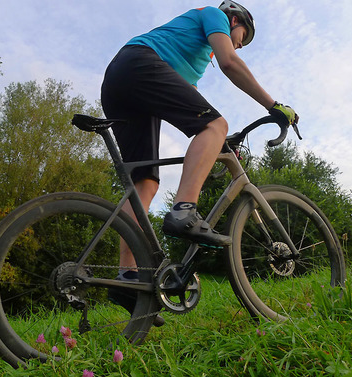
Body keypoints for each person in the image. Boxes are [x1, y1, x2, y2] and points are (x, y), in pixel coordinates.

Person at [102, 1, 298, 323]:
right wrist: (273, 105)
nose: (238, 43)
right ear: (234, 19)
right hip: (138, 64)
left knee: (145, 184)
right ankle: (184, 212)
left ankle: (128, 277)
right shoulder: (214, 14)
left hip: (124, 80)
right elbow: (230, 63)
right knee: (214, 124)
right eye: (241, 36)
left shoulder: (189, 58)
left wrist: (220, 142)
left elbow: (190, 104)